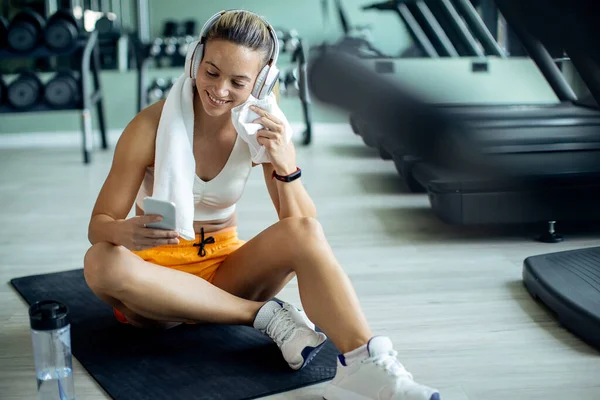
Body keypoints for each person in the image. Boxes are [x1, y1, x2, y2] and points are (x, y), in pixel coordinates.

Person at [83, 9, 441, 400]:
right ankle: (262, 315)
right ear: (195, 61)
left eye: (238, 81)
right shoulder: (148, 127)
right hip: (156, 285)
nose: (219, 90)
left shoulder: (261, 127)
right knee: (101, 261)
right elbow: (98, 225)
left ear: (261, 81)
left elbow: (303, 231)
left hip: (226, 273)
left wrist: (286, 164)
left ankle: (364, 363)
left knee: (306, 230)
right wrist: (123, 232)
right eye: (211, 72)